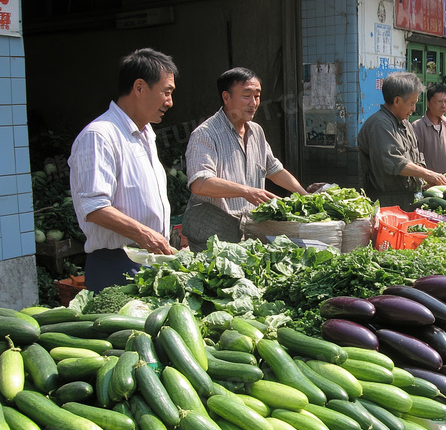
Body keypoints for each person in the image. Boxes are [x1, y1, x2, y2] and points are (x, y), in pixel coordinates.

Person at [69, 48, 177, 292]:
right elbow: (94, 207)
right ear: (139, 88)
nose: (170, 102)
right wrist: (146, 235)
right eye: (166, 92)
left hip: (150, 261)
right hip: (117, 265)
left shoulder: (146, 134)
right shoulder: (99, 136)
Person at [183, 67, 313, 252]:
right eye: (246, 95)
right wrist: (246, 192)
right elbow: (200, 183)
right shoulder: (205, 134)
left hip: (248, 232)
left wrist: (304, 195)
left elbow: (274, 169)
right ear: (226, 97)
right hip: (212, 236)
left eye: (257, 96)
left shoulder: (256, 131)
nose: (253, 103)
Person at [357, 72, 446, 211]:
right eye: (411, 103)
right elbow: (394, 162)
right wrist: (429, 174)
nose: (414, 109)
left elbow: (416, 158)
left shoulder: (405, 124)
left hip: (407, 199)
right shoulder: (380, 124)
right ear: (397, 101)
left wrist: (423, 181)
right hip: (386, 203)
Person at [411, 84, 446, 174]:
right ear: (428, 103)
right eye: (439, 101)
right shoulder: (417, 126)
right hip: (428, 182)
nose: (443, 105)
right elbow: (415, 158)